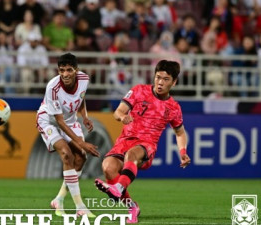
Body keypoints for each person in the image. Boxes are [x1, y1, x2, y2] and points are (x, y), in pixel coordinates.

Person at [94, 60, 191, 224]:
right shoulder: (138, 91)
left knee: (131, 154)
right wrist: (123, 117)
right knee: (108, 168)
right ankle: (132, 207)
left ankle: (118, 188)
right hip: (124, 141)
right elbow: (118, 112)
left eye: (166, 79)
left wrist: (183, 152)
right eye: (158, 77)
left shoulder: (173, 107)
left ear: (174, 82)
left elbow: (180, 132)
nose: (160, 82)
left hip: (146, 146)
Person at [36, 53, 99, 217]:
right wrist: (82, 142)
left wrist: (84, 116)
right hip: (49, 121)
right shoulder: (53, 87)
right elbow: (59, 121)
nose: (65, 74)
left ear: (76, 70)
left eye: (69, 70)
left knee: (81, 158)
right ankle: (80, 207)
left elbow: (81, 97)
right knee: (66, 154)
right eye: (61, 70)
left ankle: (59, 199)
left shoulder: (84, 79)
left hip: (70, 120)